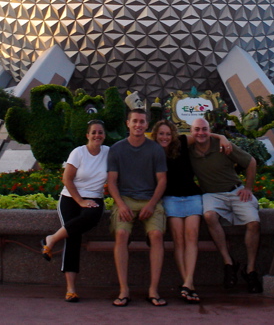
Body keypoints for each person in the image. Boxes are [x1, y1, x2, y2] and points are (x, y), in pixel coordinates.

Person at [151, 119, 233, 304]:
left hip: (192, 196)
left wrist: (221, 137)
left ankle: (188, 283)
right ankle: (189, 285)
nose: (165, 137)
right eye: (161, 134)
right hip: (170, 199)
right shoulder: (153, 152)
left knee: (192, 236)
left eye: (167, 133)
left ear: (172, 135)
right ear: (156, 135)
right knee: (179, 240)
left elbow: (201, 134)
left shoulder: (181, 142)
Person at [188, 117, 263, 294]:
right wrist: (219, 135)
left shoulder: (222, 146)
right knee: (209, 216)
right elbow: (173, 138)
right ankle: (228, 263)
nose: (201, 133)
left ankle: (250, 269)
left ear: (209, 130)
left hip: (235, 191)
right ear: (191, 133)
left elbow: (250, 162)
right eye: (197, 130)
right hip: (211, 194)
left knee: (254, 223)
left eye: (204, 129)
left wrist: (248, 188)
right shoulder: (189, 149)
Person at [41, 120, 108, 302]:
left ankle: (52, 239)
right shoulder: (78, 153)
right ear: (87, 135)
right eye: (93, 132)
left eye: (100, 132)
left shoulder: (108, 152)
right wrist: (80, 200)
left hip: (94, 198)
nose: (97, 136)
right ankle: (71, 289)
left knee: (91, 216)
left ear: (104, 135)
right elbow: (67, 179)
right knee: (73, 238)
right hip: (71, 198)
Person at [107, 108, 168, 307]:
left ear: (147, 125)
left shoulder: (155, 149)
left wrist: (151, 205)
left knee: (157, 235)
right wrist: (121, 204)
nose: (138, 125)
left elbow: (162, 181)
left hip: (150, 199)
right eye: (135, 121)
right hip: (125, 199)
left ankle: (153, 289)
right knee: (122, 235)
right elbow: (112, 182)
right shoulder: (117, 149)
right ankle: (124, 289)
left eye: (142, 122)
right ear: (128, 123)